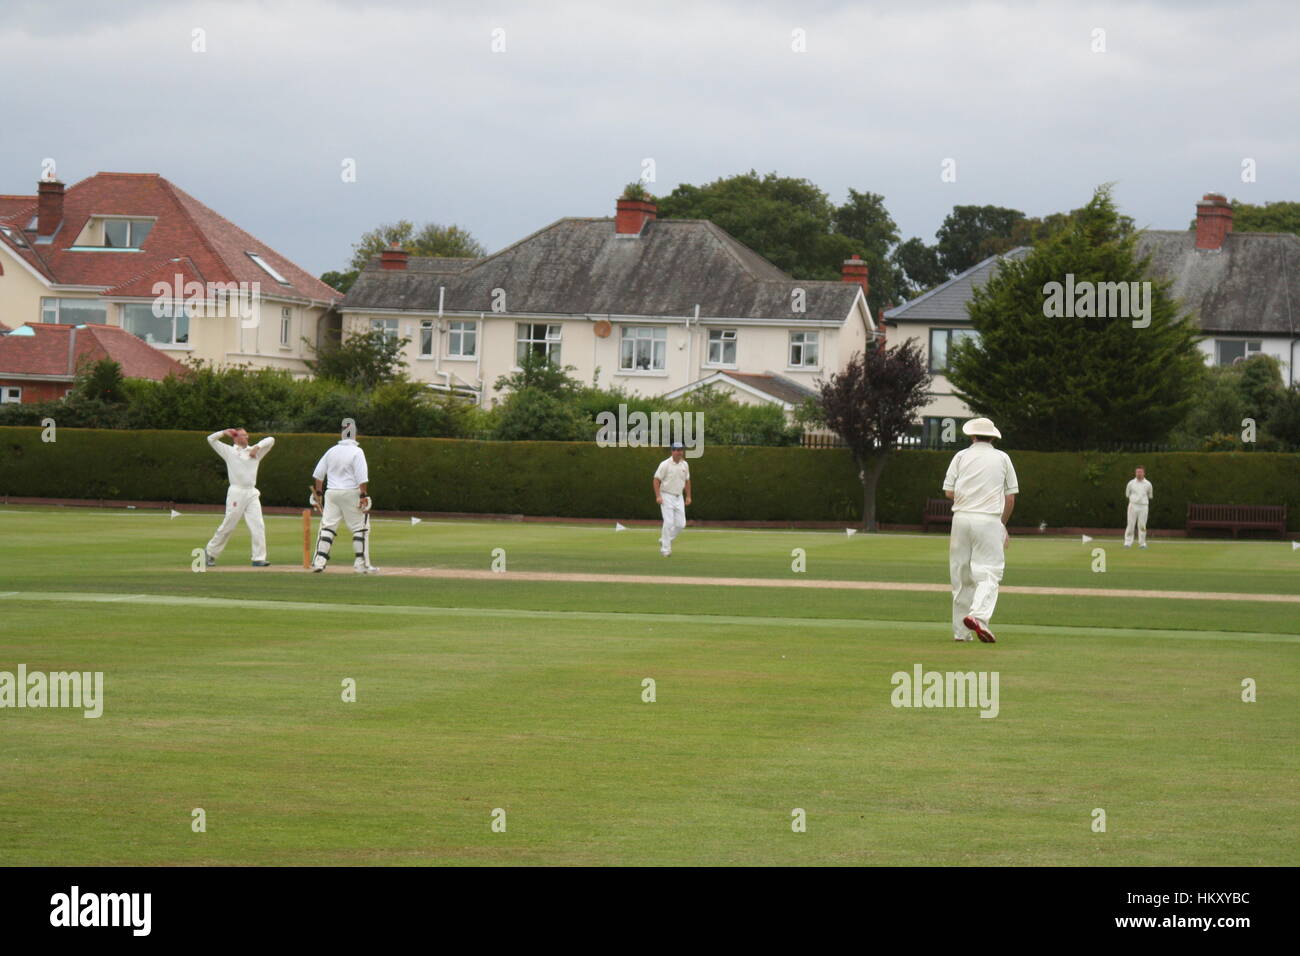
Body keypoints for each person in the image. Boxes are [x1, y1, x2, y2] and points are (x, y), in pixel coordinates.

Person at [943, 418, 1018, 644]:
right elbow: (1010, 498)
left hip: (961, 519)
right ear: (993, 437)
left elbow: (948, 492)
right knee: (989, 572)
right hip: (988, 520)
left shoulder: (961, 456)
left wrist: (969, 500)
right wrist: (1002, 524)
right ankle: (978, 616)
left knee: (961, 575)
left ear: (972, 436)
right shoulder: (1002, 458)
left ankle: (961, 633)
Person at [203, 427, 274, 567]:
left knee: (258, 525)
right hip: (236, 492)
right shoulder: (229, 451)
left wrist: (257, 447)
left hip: (252, 492)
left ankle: (258, 558)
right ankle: (210, 552)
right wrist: (223, 433)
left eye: (246, 435)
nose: (245, 438)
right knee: (229, 524)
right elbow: (210, 439)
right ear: (235, 438)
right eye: (241, 436)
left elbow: (271, 440)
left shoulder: (255, 451)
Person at [310, 430, 376, 573]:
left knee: (328, 527)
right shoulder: (357, 451)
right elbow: (362, 476)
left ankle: (319, 562)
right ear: (355, 435)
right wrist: (363, 495)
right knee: (360, 528)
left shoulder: (332, 451)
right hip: (351, 492)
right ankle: (361, 564)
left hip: (332, 493)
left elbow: (318, 474)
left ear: (341, 435)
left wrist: (319, 493)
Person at [653, 441, 691, 557]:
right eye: (677, 450)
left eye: (681, 450)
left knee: (681, 524)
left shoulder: (685, 465)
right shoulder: (665, 464)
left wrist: (688, 496)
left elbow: (687, 481)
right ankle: (665, 549)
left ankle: (665, 539)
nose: (680, 452)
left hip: (679, 496)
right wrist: (658, 496)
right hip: (666, 495)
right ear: (672, 451)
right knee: (668, 522)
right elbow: (656, 480)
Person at [1123, 466, 1153, 549]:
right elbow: (1127, 494)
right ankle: (1127, 543)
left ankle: (1142, 543)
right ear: (1135, 473)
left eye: (1140, 472)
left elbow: (1150, 495)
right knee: (1130, 524)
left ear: (1144, 473)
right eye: (1137, 472)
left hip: (1143, 506)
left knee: (1142, 525)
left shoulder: (1148, 484)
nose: (1139, 474)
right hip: (1133, 505)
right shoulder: (1131, 483)